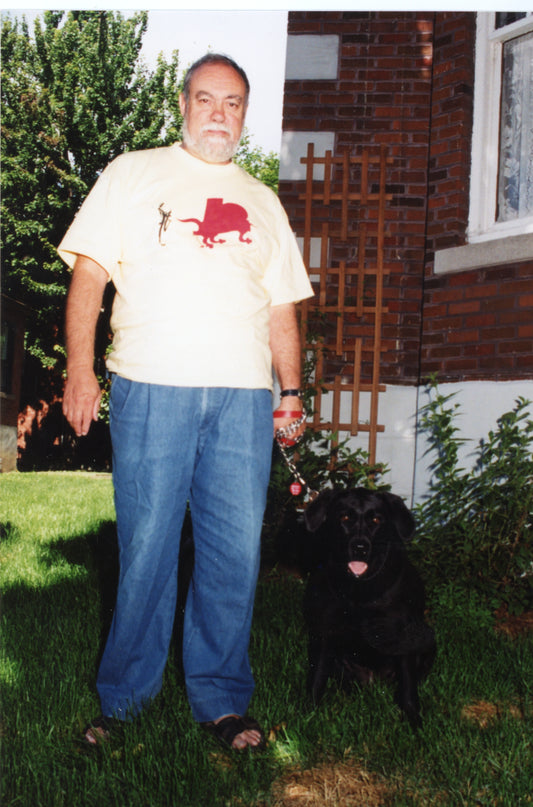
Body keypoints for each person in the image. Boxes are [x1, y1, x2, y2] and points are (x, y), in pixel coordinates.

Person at [58, 53, 313, 751]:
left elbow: (282, 308)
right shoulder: (132, 173)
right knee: (145, 547)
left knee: (234, 553)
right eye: (207, 99)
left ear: (244, 114)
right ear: (183, 104)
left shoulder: (262, 200)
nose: (219, 113)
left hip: (242, 399)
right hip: (151, 386)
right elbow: (89, 276)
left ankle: (223, 701)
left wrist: (288, 392)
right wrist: (80, 370)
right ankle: (125, 700)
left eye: (232, 103)